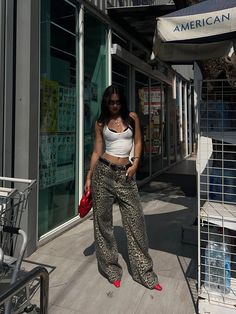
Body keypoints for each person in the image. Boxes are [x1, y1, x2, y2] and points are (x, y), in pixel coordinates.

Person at [85, 85, 162, 291]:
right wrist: (89, 176)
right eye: (111, 102)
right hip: (103, 173)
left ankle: (144, 273)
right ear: (106, 102)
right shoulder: (100, 122)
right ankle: (111, 269)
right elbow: (96, 151)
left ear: (122, 101)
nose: (115, 105)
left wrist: (135, 163)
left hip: (125, 175)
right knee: (103, 223)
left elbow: (138, 142)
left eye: (118, 101)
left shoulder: (132, 118)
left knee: (136, 222)